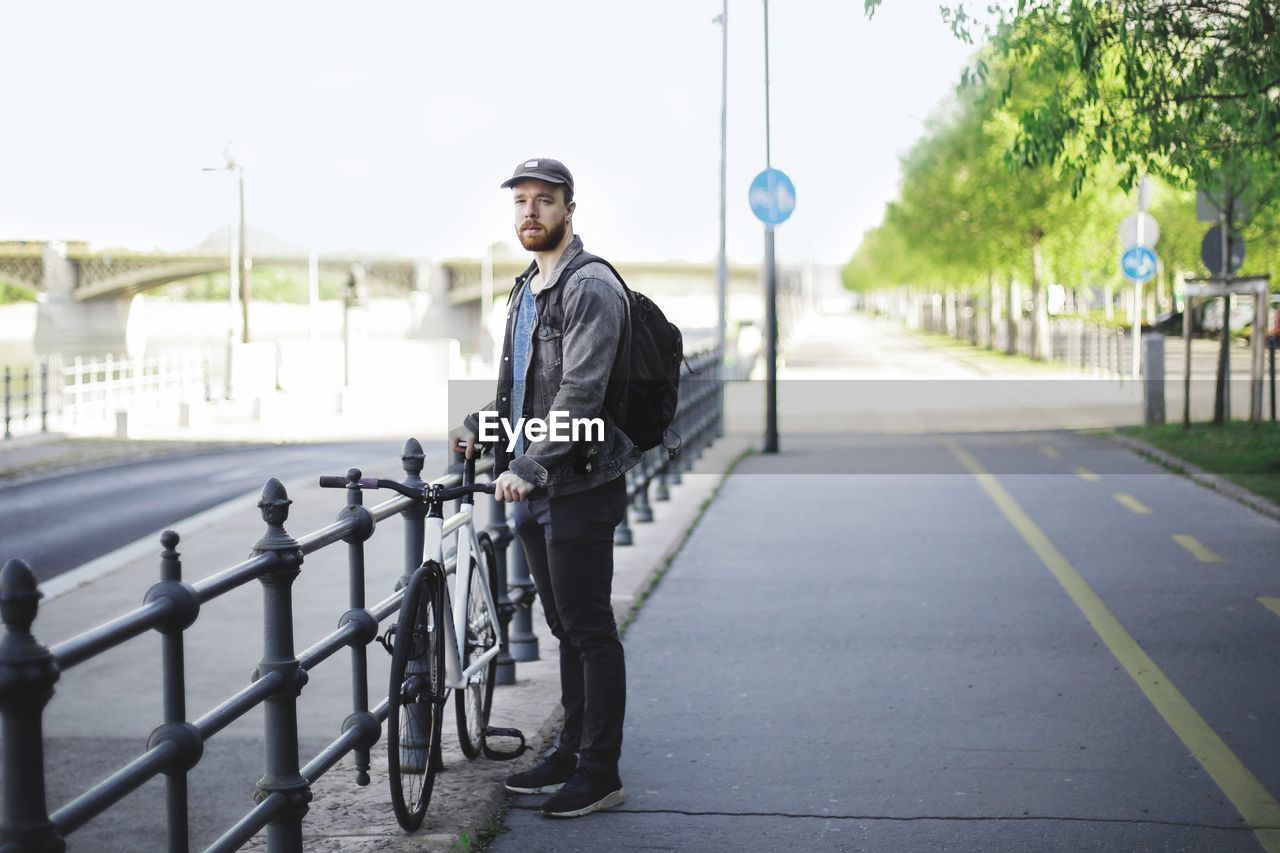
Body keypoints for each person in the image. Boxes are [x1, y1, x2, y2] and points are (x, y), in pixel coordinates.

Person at [451, 157, 640, 819]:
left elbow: (580, 391)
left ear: (569, 209)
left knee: (588, 627)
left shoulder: (591, 288)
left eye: (544, 201)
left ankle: (600, 770)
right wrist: (484, 426)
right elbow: (522, 388)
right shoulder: (526, 289)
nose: (530, 213)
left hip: (580, 481)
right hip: (532, 482)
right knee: (562, 624)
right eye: (521, 202)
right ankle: (569, 752)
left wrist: (529, 466)